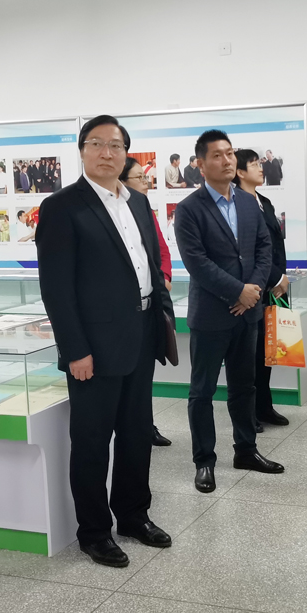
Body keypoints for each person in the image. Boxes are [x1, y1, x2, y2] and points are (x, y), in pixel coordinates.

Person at [36, 115, 175, 568]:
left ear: (125, 153)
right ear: (81, 150)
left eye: (115, 145)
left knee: (136, 434)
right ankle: (94, 531)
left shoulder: (138, 202)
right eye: (96, 144)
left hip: (141, 335)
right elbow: (56, 288)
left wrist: (160, 322)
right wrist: (75, 349)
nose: (106, 153)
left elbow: (150, 265)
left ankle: (134, 515)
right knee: (92, 442)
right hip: (93, 348)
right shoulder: (62, 207)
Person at [174, 130, 285, 494]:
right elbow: (197, 262)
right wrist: (238, 291)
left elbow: (263, 250)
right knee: (202, 391)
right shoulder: (189, 209)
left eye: (230, 153)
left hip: (247, 313)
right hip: (211, 315)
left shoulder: (249, 204)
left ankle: (246, 450)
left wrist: (252, 291)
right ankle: (204, 461)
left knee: (244, 387)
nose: (226, 160)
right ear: (200, 164)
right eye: (217, 155)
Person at [234, 149, 291, 431]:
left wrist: (282, 277)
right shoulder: (236, 204)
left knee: (268, 352)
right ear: (240, 172)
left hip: (273, 287)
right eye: (254, 164)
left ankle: (265, 406)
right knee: (249, 357)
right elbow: (251, 252)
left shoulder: (264, 202)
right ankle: (249, 412)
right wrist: (275, 276)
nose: (260, 169)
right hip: (253, 287)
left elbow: (275, 244)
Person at [122, 155, 175, 448]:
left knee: (143, 378)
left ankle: (146, 426)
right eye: (139, 178)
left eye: (145, 177)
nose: (145, 183)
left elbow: (162, 251)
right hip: (123, 312)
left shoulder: (145, 210)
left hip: (150, 304)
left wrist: (163, 278)